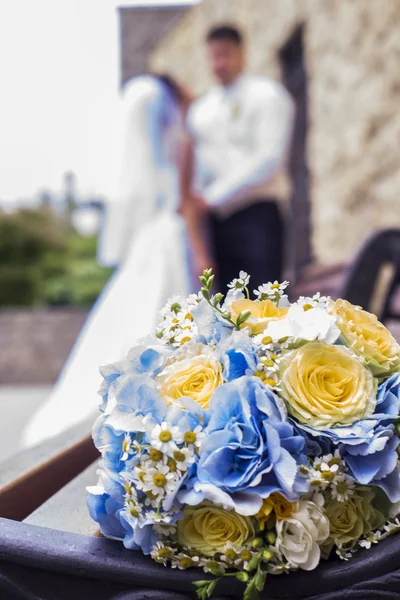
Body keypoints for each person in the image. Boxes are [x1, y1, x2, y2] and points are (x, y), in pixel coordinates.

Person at [22, 74, 210, 447]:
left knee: (146, 313)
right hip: (170, 234)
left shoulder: (163, 144)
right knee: (163, 314)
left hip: (153, 236)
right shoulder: (182, 140)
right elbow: (185, 197)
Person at [188, 24, 295, 292]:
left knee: (264, 304)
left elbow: (269, 159)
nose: (219, 63)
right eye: (213, 56)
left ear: (242, 53)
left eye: (225, 54)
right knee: (227, 307)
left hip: (257, 215)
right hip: (216, 224)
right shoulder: (201, 110)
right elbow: (198, 164)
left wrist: (212, 197)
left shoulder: (268, 96)